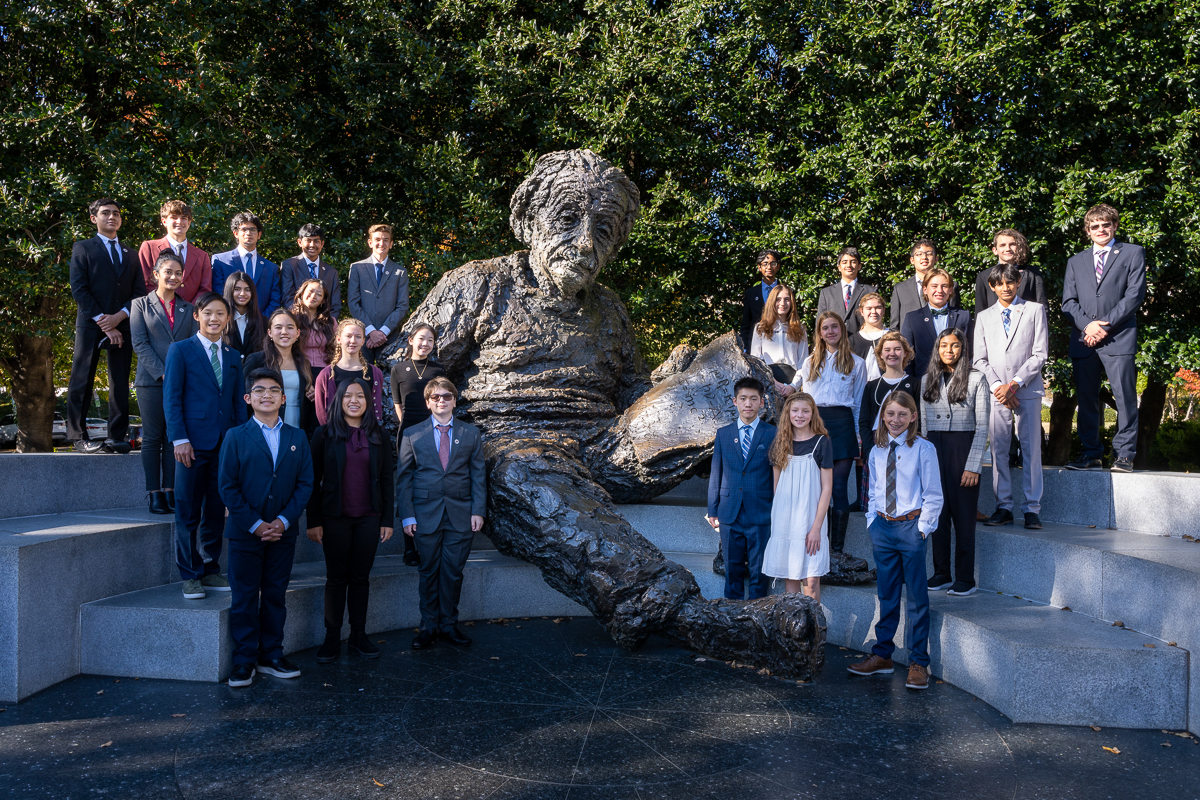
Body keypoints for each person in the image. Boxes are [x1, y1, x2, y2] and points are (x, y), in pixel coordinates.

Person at [218, 368, 314, 687]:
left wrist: (283, 522)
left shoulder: (297, 437)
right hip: (246, 533)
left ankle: (271, 655)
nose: (267, 395)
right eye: (259, 391)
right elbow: (227, 487)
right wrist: (257, 524)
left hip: (283, 534)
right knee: (245, 596)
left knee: (275, 595)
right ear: (248, 399)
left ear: (283, 399)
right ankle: (244, 660)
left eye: (274, 391)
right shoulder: (235, 436)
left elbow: (305, 484)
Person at [849, 391, 943, 689]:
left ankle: (918, 661)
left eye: (902, 414)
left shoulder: (923, 449)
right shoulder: (877, 450)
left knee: (916, 598)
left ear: (913, 417)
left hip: (911, 528)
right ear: (883, 416)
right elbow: (874, 489)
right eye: (890, 414)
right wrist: (872, 523)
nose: (895, 420)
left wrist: (922, 529)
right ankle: (883, 655)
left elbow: (933, 494)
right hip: (883, 529)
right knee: (886, 595)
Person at [164, 292, 247, 600]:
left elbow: (238, 402)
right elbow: (171, 398)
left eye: (220, 314)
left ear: (227, 319)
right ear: (197, 315)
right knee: (187, 510)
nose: (215, 318)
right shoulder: (180, 350)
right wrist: (180, 439)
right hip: (191, 445)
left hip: (225, 445)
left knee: (215, 509)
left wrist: (238, 441)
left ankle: (211, 568)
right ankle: (190, 574)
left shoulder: (234, 356)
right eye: (208, 313)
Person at [308, 378, 394, 662]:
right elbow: (312, 481)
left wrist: (388, 520)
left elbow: (386, 480)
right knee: (336, 579)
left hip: (369, 518)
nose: (354, 400)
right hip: (334, 517)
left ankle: (358, 634)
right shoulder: (324, 434)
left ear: (369, 401)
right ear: (339, 400)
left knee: (360, 578)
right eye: (348, 396)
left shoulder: (379, 434)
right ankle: (332, 637)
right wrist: (313, 520)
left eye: (360, 396)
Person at [397, 377, 486, 650]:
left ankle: (448, 625)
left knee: (452, 573)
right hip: (424, 515)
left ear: (454, 401)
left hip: (461, 514)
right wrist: (407, 515)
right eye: (435, 397)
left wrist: (478, 510)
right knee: (428, 571)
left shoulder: (471, 434)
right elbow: (403, 478)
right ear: (428, 403)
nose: (441, 401)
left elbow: (478, 475)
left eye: (447, 396)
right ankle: (428, 627)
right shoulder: (413, 434)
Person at [1062, 203, 1146, 473]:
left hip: (1118, 338)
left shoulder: (1133, 253)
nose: (1101, 229)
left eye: (1106, 224)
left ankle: (1124, 455)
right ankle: (1090, 455)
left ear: (1115, 226)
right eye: (1095, 226)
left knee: (1125, 398)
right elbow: (1068, 302)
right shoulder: (1075, 261)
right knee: (1086, 399)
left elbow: (1134, 296)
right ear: (1088, 231)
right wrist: (1088, 326)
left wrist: (1104, 327)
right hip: (1084, 341)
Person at [67, 198, 147, 454]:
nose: (112, 217)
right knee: (82, 379)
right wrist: (105, 321)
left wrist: (119, 318)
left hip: (122, 326)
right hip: (91, 325)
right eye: (105, 213)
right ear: (94, 218)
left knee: (120, 382)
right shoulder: (82, 248)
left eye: (116, 214)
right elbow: (80, 289)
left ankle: (117, 436)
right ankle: (78, 437)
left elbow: (138, 293)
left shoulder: (131, 254)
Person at [974, 264, 1049, 530]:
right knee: (999, 451)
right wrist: (999, 387)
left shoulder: (1034, 310)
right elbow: (979, 359)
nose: (1005, 287)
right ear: (992, 287)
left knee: (1030, 451)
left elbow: (1040, 353)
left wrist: (1014, 385)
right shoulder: (983, 317)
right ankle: (1003, 506)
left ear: (1018, 283)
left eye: (1010, 282)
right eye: (1000, 284)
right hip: (997, 393)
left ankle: (1031, 509)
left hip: (1026, 391)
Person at [920, 328, 989, 596]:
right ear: (937, 349)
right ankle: (941, 573)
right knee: (938, 513)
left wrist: (974, 465)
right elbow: (924, 426)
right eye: (944, 345)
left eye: (955, 346)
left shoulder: (976, 379)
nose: (949, 350)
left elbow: (982, 426)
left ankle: (965, 578)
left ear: (963, 349)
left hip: (963, 448)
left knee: (963, 517)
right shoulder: (928, 379)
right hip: (934, 447)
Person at [130, 250, 197, 514]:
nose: (173, 276)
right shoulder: (139, 305)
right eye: (168, 272)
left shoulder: (189, 308)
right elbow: (140, 343)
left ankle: (170, 491)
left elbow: (191, 345)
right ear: (156, 275)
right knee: (152, 438)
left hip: (181, 382)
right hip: (150, 381)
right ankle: (154, 493)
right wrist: (164, 372)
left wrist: (178, 375)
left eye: (178, 273)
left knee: (173, 437)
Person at [798, 312, 867, 564]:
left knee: (838, 487)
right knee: (815, 488)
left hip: (844, 425)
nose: (830, 332)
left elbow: (858, 402)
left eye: (834, 327)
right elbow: (804, 401)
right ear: (819, 333)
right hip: (816, 425)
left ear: (842, 329)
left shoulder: (857, 363)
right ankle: (817, 543)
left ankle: (836, 549)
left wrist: (859, 435)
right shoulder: (809, 363)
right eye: (825, 328)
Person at [705, 377, 777, 600]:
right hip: (729, 511)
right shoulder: (723, 434)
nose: (748, 404)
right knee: (732, 568)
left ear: (761, 402)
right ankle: (732, 618)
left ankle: (758, 616)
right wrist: (713, 508)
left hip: (760, 510)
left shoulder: (772, 433)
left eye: (753, 399)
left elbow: (777, 474)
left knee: (759, 570)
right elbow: (716, 472)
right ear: (735, 401)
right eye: (743, 399)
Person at [763, 392, 832, 605]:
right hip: (786, 519)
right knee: (790, 578)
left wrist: (816, 528)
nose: (799, 415)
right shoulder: (780, 442)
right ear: (788, 414)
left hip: (811, 518)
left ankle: (814, 633)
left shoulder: (822, 443)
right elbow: (777, 485)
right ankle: (791, 634)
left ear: (813, 414)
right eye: (795, 410)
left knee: (810, 581)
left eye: (805, 411)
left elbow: (827, 488)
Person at [389, 323, 446, 567]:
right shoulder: (398, 369)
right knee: (407, 487)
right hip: (408, 435)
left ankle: (430, 542)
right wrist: (411, 432)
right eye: (421, 339)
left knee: (432, 484)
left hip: (434, 433)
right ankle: (409, 547)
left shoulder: (438, 369)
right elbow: (398, 404)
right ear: (411, 340)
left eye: (430, 340)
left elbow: (442, 401)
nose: (425, 344)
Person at [858, 331, 919, 509]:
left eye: (897, 349)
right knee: (878, 499)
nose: (892, 353)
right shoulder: (871, 386)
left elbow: (918, 419)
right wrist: (869, 448)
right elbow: (864, 420)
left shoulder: (915, 384)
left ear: (905, 353)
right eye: (887, 349)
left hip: (905, 443)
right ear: (881, 354)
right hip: (877, 443)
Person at [243, 309, 317, 437]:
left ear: (298, 333)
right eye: (278, 327)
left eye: (290, 327)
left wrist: (312, 393)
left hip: (297, 429)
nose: (284, 332)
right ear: (270, 333)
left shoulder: (304, 364)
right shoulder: (256, 360)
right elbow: (242, 397)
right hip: (262, 431)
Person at [348, 224, 409, 364]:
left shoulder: (400, 272)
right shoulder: (357, 268)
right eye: (377, 239)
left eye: (386, 240)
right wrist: (371, 331)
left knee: (389, 382)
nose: (381, 243)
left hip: (389, 338)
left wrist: (382, 332)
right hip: (362, 337)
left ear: (391, 244)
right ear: (370, 243)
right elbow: (353, 303)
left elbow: (402, 306)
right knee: (362, 380)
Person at [900, 268, 973, 379]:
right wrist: (912, 385)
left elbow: (970, 352)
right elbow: (906, 356)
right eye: (934, 286)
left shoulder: (964, 316)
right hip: (923, 382)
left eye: (944, 286)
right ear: (925, 289)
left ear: (950, 290)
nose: (939, 290)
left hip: (957, 381)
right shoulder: (912, 318)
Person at [137, 199, 212, 303]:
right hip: (158, 311)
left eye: (184, 218)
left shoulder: (202, 256)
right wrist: (163, 307)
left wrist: (189, 310)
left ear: (189, 222)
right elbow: (145, 282)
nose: (179, 222)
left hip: (191, 314)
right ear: (164, 221)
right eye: (174, 217)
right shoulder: (149, 247)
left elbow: (205, 289)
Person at [314, 318, 385, 426]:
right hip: (335, 437)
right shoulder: (326, 375)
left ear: (363, 341)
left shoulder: (375, 373)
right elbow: (321, 412)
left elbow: (376, 408)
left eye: (358, 336)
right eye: (348, 336)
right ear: (338, 339)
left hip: (367, 437)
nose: (353, 341)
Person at [212, 212, 281, 316]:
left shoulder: (271, 268)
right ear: (236, 234)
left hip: (260, 326)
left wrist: (261, 321)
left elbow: (275, 300)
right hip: (229, 323)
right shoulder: (221, 261)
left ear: (259, 235)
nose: (248, 233)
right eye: (244, 229)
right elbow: (218, 294)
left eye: (253, 230)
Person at [750, 284, 808, 395]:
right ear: (772, 302)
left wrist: (792, 386)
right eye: (778, 299)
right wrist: (773, 382)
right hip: (768, 385)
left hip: (792, 385)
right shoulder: (760, 328)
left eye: (787, 299)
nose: (782, 303)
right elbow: (756, 361)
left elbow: (803, 363)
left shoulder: (800, 330)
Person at [974, 228, 1047, 314]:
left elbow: (1042, 308)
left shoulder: (1032, 274)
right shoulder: (984, 276)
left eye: (1012, 244)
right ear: (995, 250)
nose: (1008, 248)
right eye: (1002, 245)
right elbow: (980, 311)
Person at [890, 238, 958, 329]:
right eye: (919, 254)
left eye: (929, 253)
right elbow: (894, 326)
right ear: (912, 260)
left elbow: (955, 319)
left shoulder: (949, 285)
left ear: (936, 258)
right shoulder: (900, 289)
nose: (924, 257)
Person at [281, 223, 342, 317]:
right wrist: (301, 321)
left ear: (322, 243)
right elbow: (288, 299)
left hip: (324, 327)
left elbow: (335, 305)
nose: (312, 245)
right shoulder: (289, 265)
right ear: (300, 242)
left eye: (316, 241)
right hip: (297, 322)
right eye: (308, 241)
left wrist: (325, 324)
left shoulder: (332, 272)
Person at [815, 247, 876, 335]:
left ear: (859, 266)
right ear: (839, 267)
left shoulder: (870, 291)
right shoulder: (826, 293)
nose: (849, 265)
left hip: (862, 343)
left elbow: (876, 322)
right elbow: (820, 322)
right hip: (835, 343)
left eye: (853, 262)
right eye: (844, 262)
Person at [739, 249, 782, 352]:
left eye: (773, 263)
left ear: (778, 266)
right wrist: (745, 347)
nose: (769, 267)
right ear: (759, 267)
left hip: (781, 343)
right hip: (755, 344)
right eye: (765, 264)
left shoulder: (786, 292)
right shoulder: (751, 293)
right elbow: (745, 324)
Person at [291, 277, 337, 372]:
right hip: (297, 369)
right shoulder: (291, 319)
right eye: (310, 291)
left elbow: (339, 349)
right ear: (302, 293)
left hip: (325, 371)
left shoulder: (331, 322)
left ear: (323, 301)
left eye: (319, 294)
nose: (313, 296)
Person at [222, 272, 265, 358]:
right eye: (237, 289)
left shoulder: (263, 321)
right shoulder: (221, 321)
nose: (242, 293)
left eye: (247, 289)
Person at [849, 293, 889, 379]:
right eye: (869, 308)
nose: (874, 312)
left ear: (884, 310)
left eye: (878, 308)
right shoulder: (852, 341)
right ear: (862, 311)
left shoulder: (893, 337)